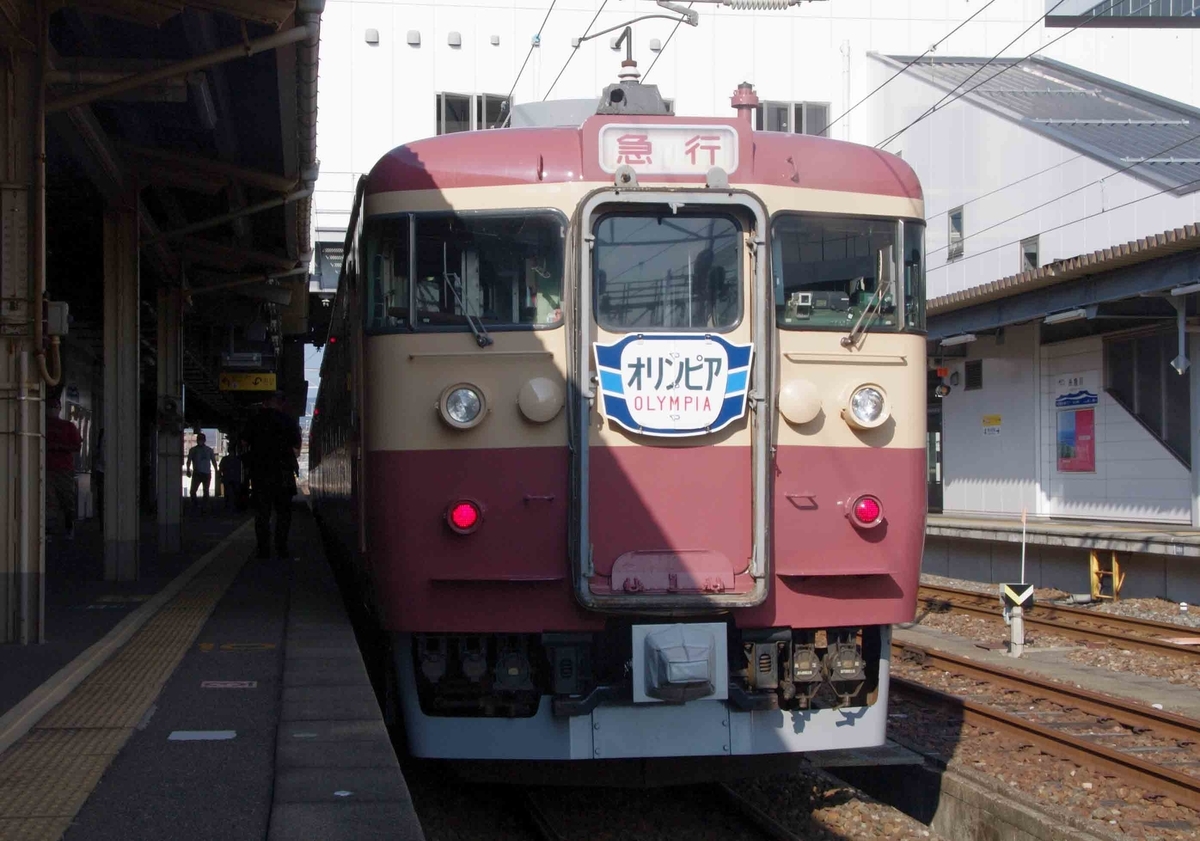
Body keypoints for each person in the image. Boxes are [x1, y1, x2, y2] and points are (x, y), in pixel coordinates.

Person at [242, 392, 301, 560]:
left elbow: (244, 442)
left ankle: (263, 550)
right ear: (280, 404)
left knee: (262, 514)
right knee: (283, 513)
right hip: (283, 473)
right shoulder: (288, 420)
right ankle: (281, 548)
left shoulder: (255, 420)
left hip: (260, 473)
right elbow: (296, 443)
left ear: (265, 403)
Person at [46, 395, 82, 539]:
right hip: (47, 468)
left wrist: (59, 447)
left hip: (64, 469)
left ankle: (69, 525)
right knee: (49, 500)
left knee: (67, 499)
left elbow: (77, 446)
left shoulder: (68, 426)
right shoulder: (40, 424)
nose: (52, 410)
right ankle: (49, 530)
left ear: (60, 409)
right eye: (50, 407)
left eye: (54, 407)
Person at [186, 432, 218, 510]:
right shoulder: (195, 450)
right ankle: (199, 505)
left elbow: (213, 461)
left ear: (204, 440)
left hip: (203, 473)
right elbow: (189, 461)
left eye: (201, 439)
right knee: (195, 491)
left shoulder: (206, 450)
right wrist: (188, 469)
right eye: (199, 439)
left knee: (203, 491)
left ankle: (202, 506)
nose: (200, 441)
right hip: (200, 473)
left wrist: (216, 470)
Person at [219, 447, 243, 512]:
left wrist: (220, 476)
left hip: (229, 477)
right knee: (234, 492)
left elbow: (221, 468)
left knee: (230, 492)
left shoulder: (225, 459)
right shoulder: (237, 459)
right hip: (233, 478)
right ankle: (233, 505)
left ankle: (229, 505)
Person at [93, 429, 105, 531]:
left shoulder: (102, 434)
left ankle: (103, 524)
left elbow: (100, 454)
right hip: (103, 471)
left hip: (101, 471)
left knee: (101, 499)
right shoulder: (106, 434)